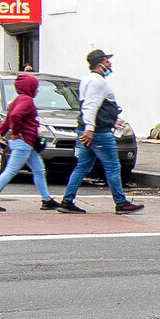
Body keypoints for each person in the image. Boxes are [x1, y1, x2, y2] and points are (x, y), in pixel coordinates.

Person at [60, 49, 143, 215]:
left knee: (82, 166)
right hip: (98, 133)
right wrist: (91, 129)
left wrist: (111, 120)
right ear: (100, 65)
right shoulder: (98, 82)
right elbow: (91, 106)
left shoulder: (87, 80)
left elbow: (95, 106)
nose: (110, 64)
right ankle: (121, 203)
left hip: (88, 129)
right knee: (112, 166)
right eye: (107, 61)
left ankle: (67, 200)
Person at [0, 73, 58, 213]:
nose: (37, 90)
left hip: (24, 143)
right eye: (35, 87)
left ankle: (47, 200)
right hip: (24, 142)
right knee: (10, 171)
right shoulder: (27, 101)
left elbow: (7, 120)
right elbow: (15, 116)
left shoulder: (16, 100)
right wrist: (16, 133)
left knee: (39, 170)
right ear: (29, 87)